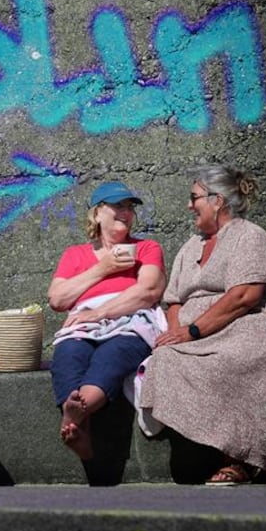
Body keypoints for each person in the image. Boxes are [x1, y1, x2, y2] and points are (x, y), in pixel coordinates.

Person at [139, 165, 266, 485]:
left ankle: (239, 459)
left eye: (194, 198)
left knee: (234, 359)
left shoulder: (249, 235)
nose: (189, 205)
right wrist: (176, 333)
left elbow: (245, 295)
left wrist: (193, 330)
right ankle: (208, 445)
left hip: (252, 325)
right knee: (166, 357)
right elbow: (174, 301)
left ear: (217, 201)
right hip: (201, 332)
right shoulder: (191, 246)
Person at [48, 181, 165, 462]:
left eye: (130, 207)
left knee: (114, 352)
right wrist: (103, 268)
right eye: (118, 206)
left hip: (129, 317)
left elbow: (149, 291)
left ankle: (77, 412)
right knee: (69, 352)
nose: (126, 212)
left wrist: (100, 313)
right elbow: (57, 299)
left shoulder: (146, 248)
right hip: (84, 322)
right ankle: (81, 428)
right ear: (98, 213)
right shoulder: (75, 254)